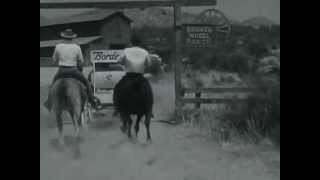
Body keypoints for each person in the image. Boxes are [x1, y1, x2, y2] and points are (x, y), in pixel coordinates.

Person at [44, 29, 101, 111]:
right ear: (72, 38)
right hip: (74, 70)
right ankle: (92, 101)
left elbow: (54, 60)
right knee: (87, 83)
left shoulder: (58, 46)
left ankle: (49, 103)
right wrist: (79, 68)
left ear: (63, 37)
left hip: (61, 71)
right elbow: (81, 61)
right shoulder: (77, 47)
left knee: (53, 84)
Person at [113, 34, 154, 117]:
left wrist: (124, 64)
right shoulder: (145, 51)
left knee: (117, 89)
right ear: (140, 43)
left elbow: (120, 61)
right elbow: (149, 64)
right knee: (149, 92)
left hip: (129, 76)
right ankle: (149, 110)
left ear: (131, 42)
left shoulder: (126, 50)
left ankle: (117, 108)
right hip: (140, 77)